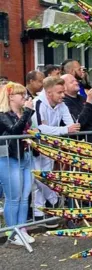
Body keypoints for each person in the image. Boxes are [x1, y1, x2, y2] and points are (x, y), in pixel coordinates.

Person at [31, 76, 80, 227]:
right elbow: (40, 128)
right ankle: (52, 201)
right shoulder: (37, 103)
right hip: (36, 147)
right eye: (59, 92)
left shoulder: (62, 105)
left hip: (50, 147)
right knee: (38, 178)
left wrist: (54, 131)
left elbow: (73, 127)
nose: (63, 95)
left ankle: (41, 213)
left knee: (45, 177)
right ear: (48, 92)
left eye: (63, 92)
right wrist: (63, 130)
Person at [0, 82, 35, 245]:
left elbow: (27, 129)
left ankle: (22, 229)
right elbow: (14, 130)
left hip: (26, 156)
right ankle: (12, 232)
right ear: (11, 96)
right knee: (13, 197)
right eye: (21, 94)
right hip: (9, 158)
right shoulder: (3, 114)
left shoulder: (23, 112)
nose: (24, 97)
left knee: (24, 195)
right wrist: (28, 111)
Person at [62, 74, 92, 142]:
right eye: (72, 82)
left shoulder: (82, 98)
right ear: (64, 87)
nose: (76, 83)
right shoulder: (64, 102)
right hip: (81, 143)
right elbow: (79, 123)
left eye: (76, 81)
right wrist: (89, 101)